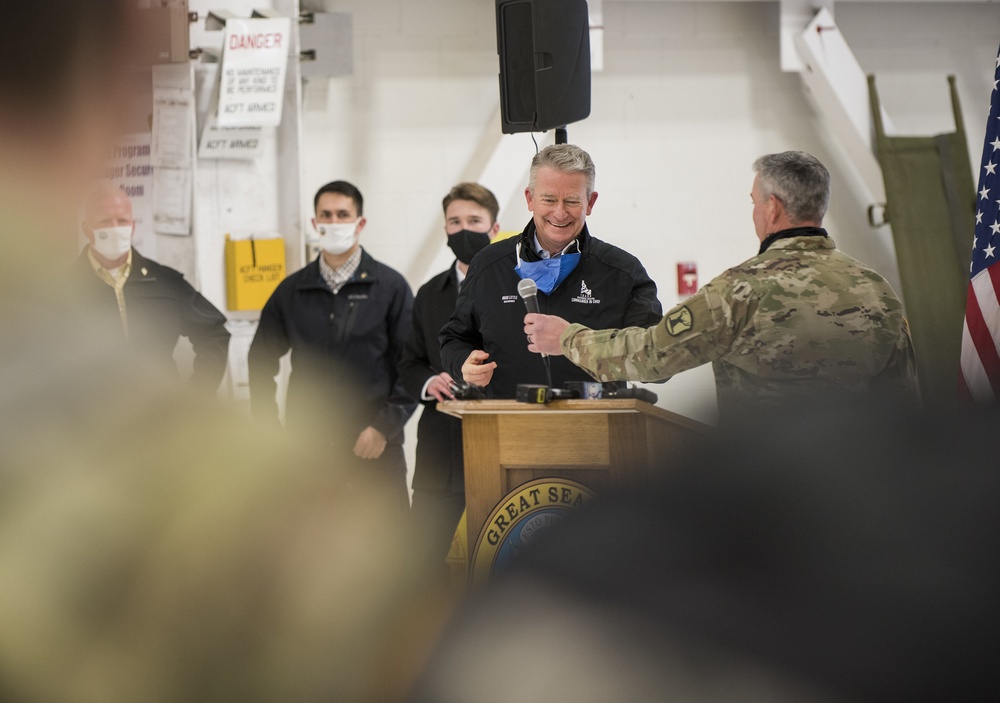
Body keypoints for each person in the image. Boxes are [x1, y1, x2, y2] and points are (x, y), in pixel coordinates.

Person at [524, 151, 919, 421]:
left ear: (773, 208)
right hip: (862, 492)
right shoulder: (877, 291)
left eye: (753, 201)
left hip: (769, 490)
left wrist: (570, 339)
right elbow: (904, 403)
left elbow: (651, 355)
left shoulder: (739, 292)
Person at [438, 144, 663, 398]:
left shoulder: (623, 272)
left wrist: (578, 342)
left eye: (571, 201)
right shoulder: (489, 265)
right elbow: (454, 339)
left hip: (596, 428)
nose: (559, 212)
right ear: (530, 199)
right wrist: (463, 364)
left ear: (590, 202)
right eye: (549, 199)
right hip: (506, 427)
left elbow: (659, 359)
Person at [248, 180, 417, 513]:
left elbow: (412, 366)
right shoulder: (292, 291)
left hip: (375, 449)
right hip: (308, 456)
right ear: (315, 224)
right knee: (308, 554)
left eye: (343, 214)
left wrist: (384, 428)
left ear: (360, 223)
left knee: (388, 555)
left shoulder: (390, 288)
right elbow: (259, 361)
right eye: (326, 215)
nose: (334, 222)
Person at [399, 182, 501, 564]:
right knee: (420, 563)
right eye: (454, 222)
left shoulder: (522, 289)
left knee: (499, 561)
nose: (463, 230)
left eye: (474, 220)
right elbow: (408, 363)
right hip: (440, 454)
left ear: (494, 227)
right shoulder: (429, 294)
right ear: (444, 229)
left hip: (501, 443)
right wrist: (428, 380)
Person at [76, 185, 231, 394]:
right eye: (105, 221)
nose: (114, 228)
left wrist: (196, 397)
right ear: (87, 229)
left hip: (158, 415)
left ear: (132, 227)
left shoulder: (164, 282)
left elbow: (213, 332)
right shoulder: (65, 289)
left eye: (122, 221)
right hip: (93, 419)